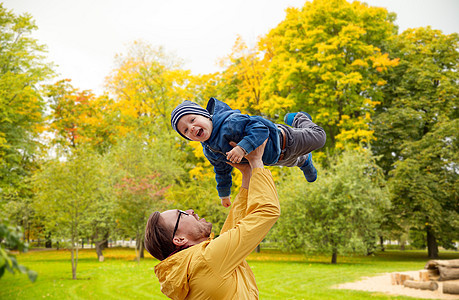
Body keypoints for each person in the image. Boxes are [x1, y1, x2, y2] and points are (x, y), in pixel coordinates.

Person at [144, 139, 280, 299]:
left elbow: (233, 229)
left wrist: (247, 174)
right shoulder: (206, 260)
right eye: (181, 214)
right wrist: (257, 162)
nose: (190, 211)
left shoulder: (194, 265)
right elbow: (266, 211)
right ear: (179, 239)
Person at [170, 97, 326, 207]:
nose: (191, 128)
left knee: (320, 138)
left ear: (206, 116)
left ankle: (299, 118)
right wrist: (224, 193)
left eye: (192, 120)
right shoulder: (210, 150)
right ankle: (305, 161)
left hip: (286, 140)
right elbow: (222, 170)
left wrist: (242, 148)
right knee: (296, 161)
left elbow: (260, 128)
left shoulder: (230, 122)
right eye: (185, 130)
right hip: (275, 159)